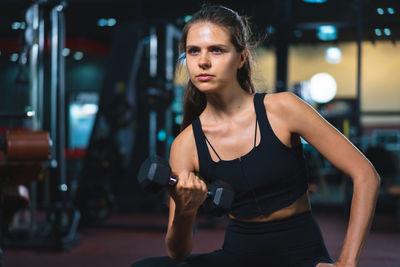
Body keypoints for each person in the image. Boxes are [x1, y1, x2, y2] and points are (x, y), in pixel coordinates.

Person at [131, 4, 380, 267]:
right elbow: (177, 253)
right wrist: (185, 209)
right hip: (238, 255)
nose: (203, 61)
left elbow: (365, 174)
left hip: (300, 254)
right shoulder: (186, 144)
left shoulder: (283, 108)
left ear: (241, 58)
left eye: (216, 49)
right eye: (194, 51)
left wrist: (347, 263)